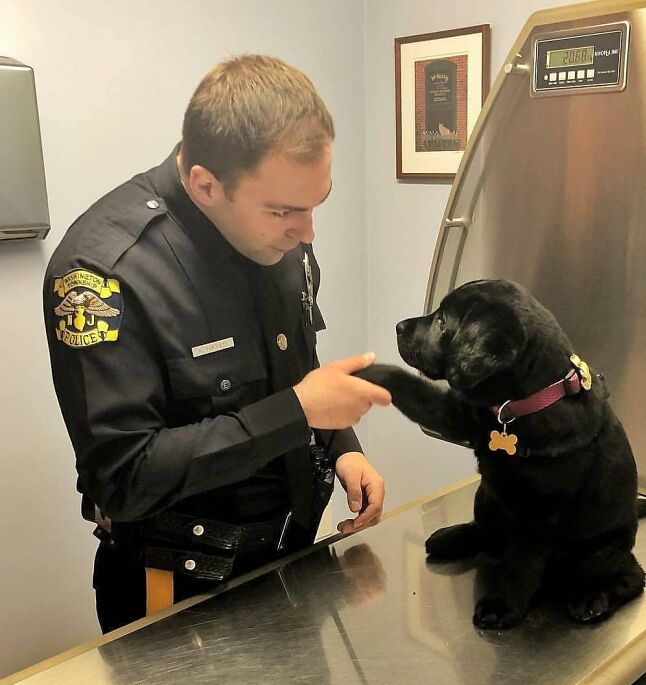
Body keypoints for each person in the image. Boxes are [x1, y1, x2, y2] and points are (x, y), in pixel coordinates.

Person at [43, 54, 391, 633]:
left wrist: (340, 444)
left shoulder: (280, 240)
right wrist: (300, 412)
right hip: (179, 594)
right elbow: (124, 479)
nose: (307, 234)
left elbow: (292, 377)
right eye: (283, 211)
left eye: (315, 205)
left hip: (293, 564)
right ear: (206, 184)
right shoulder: (105, 271)